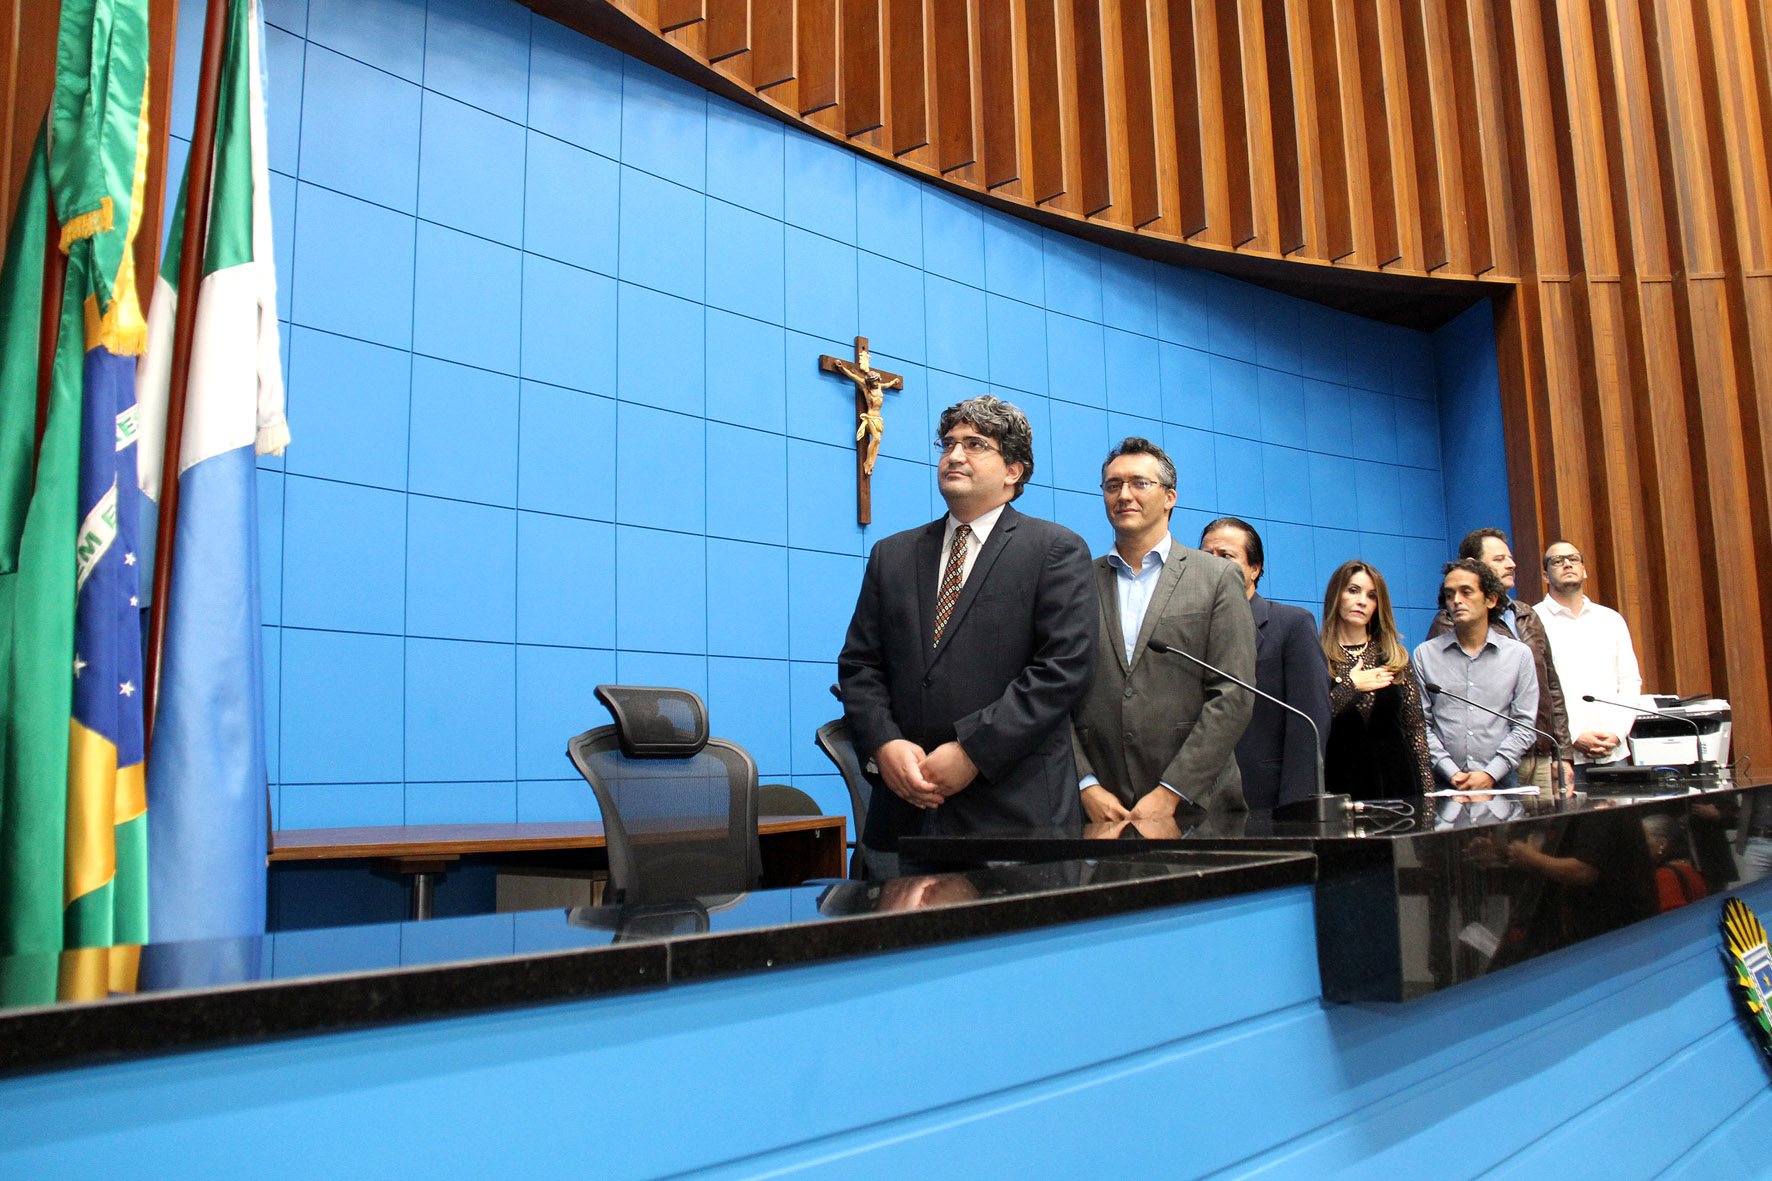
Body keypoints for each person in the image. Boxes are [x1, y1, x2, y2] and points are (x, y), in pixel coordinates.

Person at [838, 395, 1097, 878]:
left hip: (1013, 818)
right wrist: (884, 744)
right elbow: (860, 666)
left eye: (975, 445)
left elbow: (1062, 671)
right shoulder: (891, 555)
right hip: (905, 814)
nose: (954, 456)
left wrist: (973, 750)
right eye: (948, 444)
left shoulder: (1055, 550)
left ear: (1014, 471)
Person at [1071, 438, 1255, 821]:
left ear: (1170, 497)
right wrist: (1085, 784)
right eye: (1113, 485)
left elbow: (1233, 693)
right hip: (1102, 807)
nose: (1124, 495)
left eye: (1140, 483)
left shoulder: (1217, 577)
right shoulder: (1077, 580)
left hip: (1198, 807)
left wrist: (1172, 792)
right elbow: (1056, 691)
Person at [1199, 517, 1331, 809]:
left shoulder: (1292, 625)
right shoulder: (1187, 630)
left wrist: (1297, 809)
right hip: (1195, 801)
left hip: (1264, 798)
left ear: (1255, 568)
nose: (1214, 565)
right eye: (1206, 556)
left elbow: (1308, 725)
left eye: (1226, 556)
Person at [1428, 528, 1570, 790]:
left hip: (1539, 750)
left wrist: (1564, 753)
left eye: (1510, 558)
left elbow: (1551, 686)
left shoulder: (1526, 614)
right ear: (1473, 565)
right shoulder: (1450, 623)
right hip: (1487, 762)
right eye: (1499, 559)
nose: (1511, 564)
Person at [1415, 559, 1539, 823]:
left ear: (1491, 599)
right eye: (1450, 594)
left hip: (1503, 782)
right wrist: (1451, 771)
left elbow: (1524, 725)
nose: (1456, 601)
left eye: (1466, 592)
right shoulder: (1425, 655)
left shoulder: (1519, 655)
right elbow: (1420, 725)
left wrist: (1491, 773)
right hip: (1445, 784)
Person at [1318, 560, 1433, 799]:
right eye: (1353, 590)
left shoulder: (1394, 656)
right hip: (1340, 786)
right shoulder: (1317, 655)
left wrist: (1428, 798)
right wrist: (1351, 687)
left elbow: (1415, 733)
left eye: (1371, 596)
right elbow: (1312, 725)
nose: (1362, 601)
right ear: (1336, 595)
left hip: (1398, 785)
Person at [1531, 541, 1643, 765]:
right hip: (1563, 757)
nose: (1567, 564)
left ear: (1584, 570)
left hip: (1615, 751)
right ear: (1545, 575)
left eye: (1573, 559)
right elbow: (1535, 692)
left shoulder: (1610, 619)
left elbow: (1629, 681)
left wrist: (1617, 733)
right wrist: (1573, 735)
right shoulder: (1534, 621)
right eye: (1557, 561)